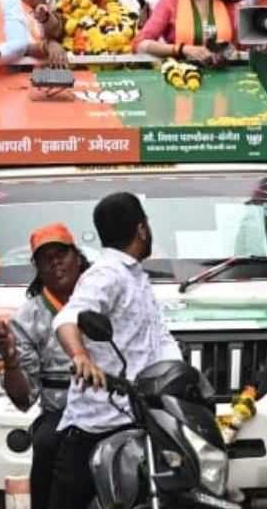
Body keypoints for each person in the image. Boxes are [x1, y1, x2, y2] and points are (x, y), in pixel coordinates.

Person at [48, 193, 181, 509]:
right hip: (98, 423)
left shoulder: (136, 277)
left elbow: (161, 341)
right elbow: (68, 318)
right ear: (142, 230)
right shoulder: (107, 273)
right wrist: (80, 357)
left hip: (141, 418)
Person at [0, 223, 87, 509]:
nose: (55, 262)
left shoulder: (103, 296)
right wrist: (10, 361)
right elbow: (23, 398)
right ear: (38, 268)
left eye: (62, 254)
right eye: (46, 258)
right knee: (46, 445)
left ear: (78, 257)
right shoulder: (27, 318)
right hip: (63, 411)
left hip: (116, 403)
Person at [10, 0, 69, 66]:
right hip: (20, 79)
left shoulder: (54, 8)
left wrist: (45, 18)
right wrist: (47, 46)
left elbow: (58, 30)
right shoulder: (11, 15)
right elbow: (21, 47)